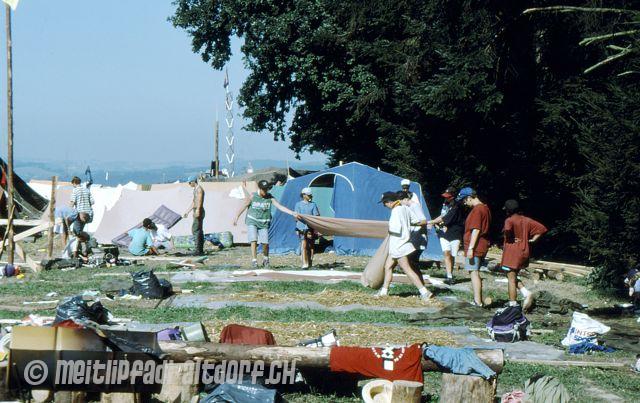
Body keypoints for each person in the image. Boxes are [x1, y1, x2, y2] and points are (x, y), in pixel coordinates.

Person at [378, 191, 433, 301]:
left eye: (385, 203)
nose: (385, 206)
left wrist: (390, 230)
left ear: (389, 202)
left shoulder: (395, 211)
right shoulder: (405, 208)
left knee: (407, 269)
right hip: (401, 243)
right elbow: (416, 221)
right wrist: (406, 226)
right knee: (388, 266)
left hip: (398, 245)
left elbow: (394, 229)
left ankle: (424, 292)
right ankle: (384, 292)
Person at [234, 180, 294, 268]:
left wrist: (292, 213)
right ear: (260, 189)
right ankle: (254, 260)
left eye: (266, 189)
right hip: (252, 221)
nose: (265, 191)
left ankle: (266, 259)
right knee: (253, 240)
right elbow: (244, 205)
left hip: (264, 223)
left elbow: (280, 207)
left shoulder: (270, 197)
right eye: (263, 189)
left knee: (265, 242)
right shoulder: (253, 196)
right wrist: (237, 216)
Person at [500, 199, 548, 310]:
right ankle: (526, 293)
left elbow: (507, 230)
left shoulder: (509, 220)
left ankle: (513, 304)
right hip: (523, 251)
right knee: (513, 275)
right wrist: (532, 240)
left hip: (512, 252)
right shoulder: (526, 220)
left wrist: (509, 236)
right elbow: (542, 229)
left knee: (511, 279)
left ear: (508, 211)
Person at [458, 187, 491, 307]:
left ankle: (478, 302)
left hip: (476, 246)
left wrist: (471, 248)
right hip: (480, 245)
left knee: (474, 273)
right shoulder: (485, 208)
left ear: (469, 197)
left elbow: (476, 230)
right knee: (474, 272)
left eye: (464, 200)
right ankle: (478, 300)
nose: (464, 203)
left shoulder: (477, 210)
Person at [427, 188, 465, 285]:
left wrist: (431, 222)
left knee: (452, 254)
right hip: (444, 233)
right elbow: (442, 216)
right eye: (445, 197)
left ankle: (450, 274)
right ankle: (449, 276)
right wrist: (432, 222)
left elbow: (446, 218)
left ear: (453, 197)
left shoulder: (457, 206)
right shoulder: (445, 204)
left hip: (455, 233)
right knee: (446, 253)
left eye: (448, 197)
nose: (446, 198)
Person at [396, 190, 427, 269]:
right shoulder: (407, 207)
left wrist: (408, 223)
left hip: (418, 239)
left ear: (405, 199)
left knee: (412, 262)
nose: (399, 204)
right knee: (411, 263)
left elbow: (424, 221)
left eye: (400, 202)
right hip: (413, 238)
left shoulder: (414, 206)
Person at [294, 187, 321, 269]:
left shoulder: (313, 204)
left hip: (311, 228)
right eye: (308, 195)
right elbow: (296, 217)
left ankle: (310, 263)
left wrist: (316, 228)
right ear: (304, 195)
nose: (310, 196)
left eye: (310, 195)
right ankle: (304, 263)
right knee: (304, 245)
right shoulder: (298, 204)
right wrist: (298, 226)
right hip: (301, 228)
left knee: (311, 246)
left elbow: (316, 216)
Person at [183, 176, 205, 256]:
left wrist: (198, 210)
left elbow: (200, 200)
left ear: (193, 181)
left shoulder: (199, 189)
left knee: (195, 230)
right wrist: (187, 212)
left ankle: (198, 250)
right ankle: (199, 249)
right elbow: (194, 202)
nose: (189, 184)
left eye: (189, 183)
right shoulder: (195, 189)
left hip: (199, 210)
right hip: (196, 209)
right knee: (198, 230)